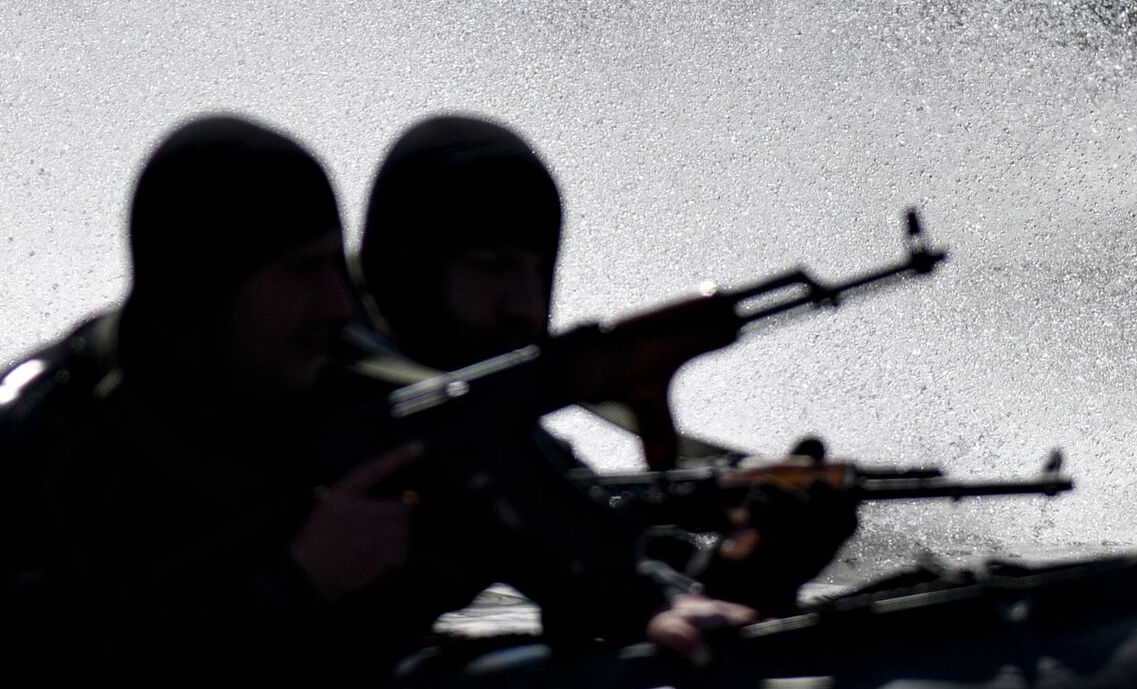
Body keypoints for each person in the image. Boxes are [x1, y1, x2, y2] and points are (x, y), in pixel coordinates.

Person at [0, 115, 740, 689]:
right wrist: (301, 581)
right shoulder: (28, 442)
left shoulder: (353, 390)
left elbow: (531, 499)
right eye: (302, 274)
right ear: (211, 286)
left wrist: (662, 595)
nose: (339, 305)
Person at [360, 113, 857, 618]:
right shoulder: (324, 405)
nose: (525, 308)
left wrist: (752, 567)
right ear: (413, 277)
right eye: (494, 268)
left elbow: (594, 536)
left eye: (537, 271)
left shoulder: (497, 433)